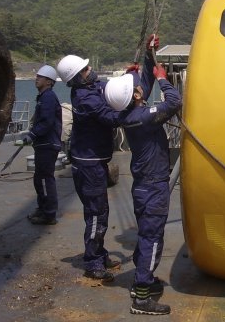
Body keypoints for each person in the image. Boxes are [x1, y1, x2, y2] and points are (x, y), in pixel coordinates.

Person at [56, 41, 157, 282]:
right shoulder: (85, 99)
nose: (91, 71)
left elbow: (115, 88)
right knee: (96, 213)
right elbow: (112, 117)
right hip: (88, 164)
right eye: (85, 70)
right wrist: (137, 106)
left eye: (88, 67)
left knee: (100, 211)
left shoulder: (93, 87)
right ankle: (92, 261)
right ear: (77, 79)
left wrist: (136, 69)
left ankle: (98, 253)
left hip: (94, 159)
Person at [104, 54, 182, 316]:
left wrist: (149, 56)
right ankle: (141, 295)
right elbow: (174, 102)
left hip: (143, 186)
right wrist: (163, 80)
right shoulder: (143, 117)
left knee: (147, 236)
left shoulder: (129, 112)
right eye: (136, 87)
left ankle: (143, 276)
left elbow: (139, 87)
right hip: (153, 186)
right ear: (135, 97)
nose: (140, 87)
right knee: (152, 238)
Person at [23, 65, 62, 225]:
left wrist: (32, 134)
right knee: (39, 179)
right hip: (43, 144)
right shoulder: (43, 96)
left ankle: (49, 214)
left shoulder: (48, 97)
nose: (36, 79)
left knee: (45, 179)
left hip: (47, 144)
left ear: (49, 81)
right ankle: (43, 208)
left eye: (40, 77)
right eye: (37, 76)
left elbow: (46, 122)